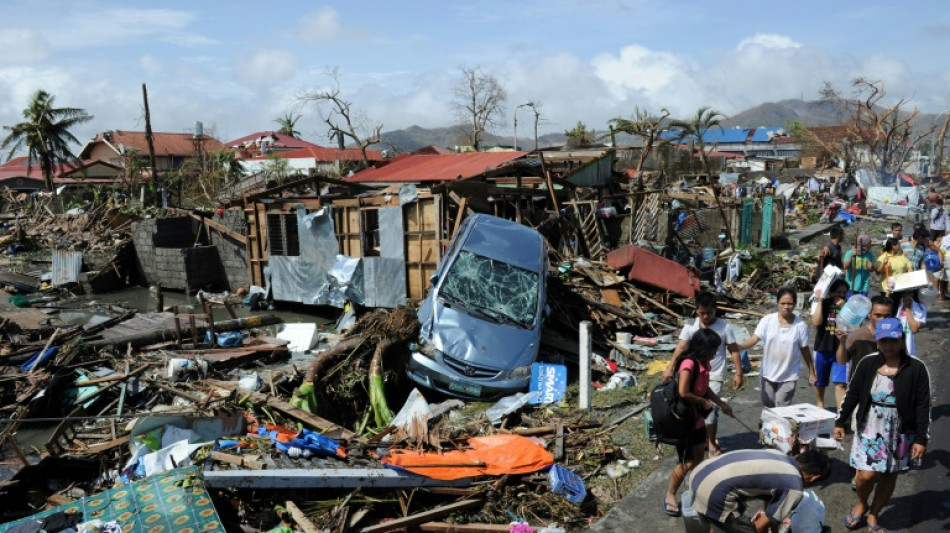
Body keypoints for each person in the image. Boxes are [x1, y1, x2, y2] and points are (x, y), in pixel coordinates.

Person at [834, 318, 931, 532]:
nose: (888, 346)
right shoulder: (868, 363)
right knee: (865, 475)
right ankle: (862, 503)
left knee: (888, 475)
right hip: (870, 424)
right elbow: (853, 394)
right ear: (878, 341)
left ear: (901, 339)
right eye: (884, 341)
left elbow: (923, 405)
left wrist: (921, 438)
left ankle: (874, 513)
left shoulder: (916, 368)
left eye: (893, 341)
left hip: (900, 430)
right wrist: (840, 421)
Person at [662, 291, 743, 457]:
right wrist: (670, 367)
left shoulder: (724, 327)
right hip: (693, 375)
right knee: (694, 409)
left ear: (716, 309)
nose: (705, 317)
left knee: (711, 412)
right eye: (701, 313)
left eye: (709, 313)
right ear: (696, 311)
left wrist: (739, 373)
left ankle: (711, 442)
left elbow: (733, 350)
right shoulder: (690, 326)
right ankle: (698, 440)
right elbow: (681, 348)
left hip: (715, 374)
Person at [662, 329, 733, 517]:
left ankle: (696, 490)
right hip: (684, 420)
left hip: (698, 420)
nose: (715, 352)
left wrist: (721, 404)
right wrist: (703, 402)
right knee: (686, 462)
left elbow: (704, 388)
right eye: (713, 348)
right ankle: (670, 494)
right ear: (703, 347)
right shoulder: (688, 363)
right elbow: (684, 392)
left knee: (699, 459)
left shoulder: (704, 364)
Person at [687, 449, 831, 533]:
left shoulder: (779, 454)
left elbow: (772, 504)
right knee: (746, 530)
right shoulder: (794, 486)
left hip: (699, 474)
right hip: (715, 494)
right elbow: (760, 527)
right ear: (813, 478)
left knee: (719, 524)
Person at [738, 288, 816, 408]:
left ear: (795, 304)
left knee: (781, 408)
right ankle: (767, 425)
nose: (786, 307)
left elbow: (805, 350)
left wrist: (812, 372)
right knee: (768, 404)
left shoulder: (800, 326)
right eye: (783, 303)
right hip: (768, 372)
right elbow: (754, 339)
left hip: (789, 374)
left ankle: (778, 425)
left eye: (790, 303)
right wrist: (738, 347)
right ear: (777, 303)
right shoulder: (767, 321)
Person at [835, 296, 893, 382]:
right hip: (860, 387)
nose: (883, 319)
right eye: (878, 315)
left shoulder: (896, 335)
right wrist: (842, 343)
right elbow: (841, 361)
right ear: (869, 314)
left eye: (887, 316)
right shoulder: (857, 336)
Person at [811, 279, 849, 409]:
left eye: (844, 292)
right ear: (831, 292)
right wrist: (820, 301)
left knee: (841, 383)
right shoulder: (824, 303)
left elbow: (856, 326)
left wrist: (844, 308)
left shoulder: (849, 306)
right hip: (823, 347)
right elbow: (816, 322)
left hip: (842, 348)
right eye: (838, 292)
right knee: (820, 380)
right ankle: (820, 401)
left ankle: (840, 411)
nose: (841, 295)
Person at [876, 238, 913, 314]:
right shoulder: (883, 257)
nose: (900, 245)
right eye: (898, 244)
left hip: (900, 286)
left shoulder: (902, 256)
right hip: (887, 288)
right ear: (893, 246)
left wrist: (910, 276)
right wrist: (883, 264)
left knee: (897, 308)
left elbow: (909, 267)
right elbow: (878, 272)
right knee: (887, 308)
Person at [894, 291, 926, 356]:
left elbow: (914, 329)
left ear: (913, 293)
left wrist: (907, 309)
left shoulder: (919, 307)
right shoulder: (896, 303)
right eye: (904, 293)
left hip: (908, 350)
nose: (906, 296)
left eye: (908, 292)